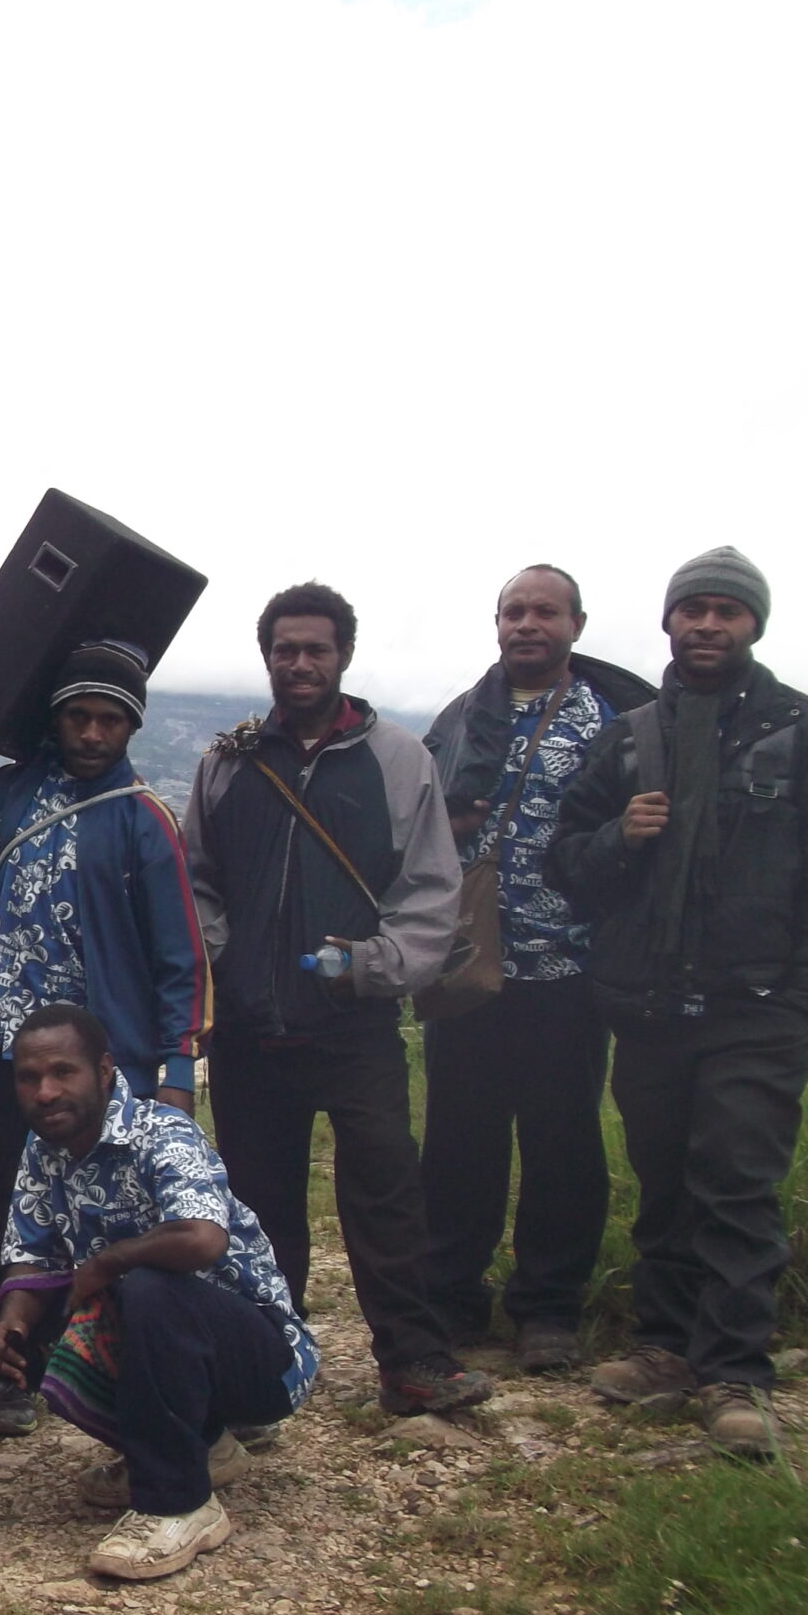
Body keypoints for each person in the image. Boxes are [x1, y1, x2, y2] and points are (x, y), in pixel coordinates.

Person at [552, 548, 808, 1459]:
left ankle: (736, 1373)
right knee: (663, 1182)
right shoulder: (629, 739)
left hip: (757, 1010)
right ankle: (665, 1347)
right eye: (691, 610)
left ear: (753, 626)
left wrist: (803, 1000)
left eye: (725, 613)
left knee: (737, 1183)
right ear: (666, 622)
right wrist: (622, 836)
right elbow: (566, 866)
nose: (706, 626)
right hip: (652, 1008)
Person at [185, 582, 489, 1417]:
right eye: (285, 649)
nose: (300, 663)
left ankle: (413, 1363)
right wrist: (221, 959)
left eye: (316, 648)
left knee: (387, 1192)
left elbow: (430, 885)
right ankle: (266, 1364)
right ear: (267, 658)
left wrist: (376, 964)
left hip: (356, 1025)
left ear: (344, 656)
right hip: (251, 1029)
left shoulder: (396, 758)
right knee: (258, 1204)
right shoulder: (231, 759)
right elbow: (198, 877)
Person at [0, 640, 208, 1437]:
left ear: (130, 730)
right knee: (7, 1208)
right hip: (4, 1049)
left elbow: (182, 957)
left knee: (111, 1219)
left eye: (111, 720)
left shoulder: (142, 819)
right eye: (81, 715)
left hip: (97, 1067)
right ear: (58, 717)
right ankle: (7, 1372)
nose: (94, 733)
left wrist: (177, 1068)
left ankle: (113, 1367)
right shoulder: (15, 792)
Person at [0, 1005, 317, 1583]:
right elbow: (29, 1261)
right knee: (40, 1317)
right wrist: (10, 1320)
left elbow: (203, 1239)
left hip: (261, 1361)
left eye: (64, 1072)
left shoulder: (161, 1131)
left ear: (106, 1072)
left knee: (147, 1287)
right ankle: (201, 1447)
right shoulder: (43, 1153)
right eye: (29, 1078)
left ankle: (178, 1502)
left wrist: (108, 1262)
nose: (45, 1091)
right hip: (172, 1348)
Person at [418, 567, 655, 1372]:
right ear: (496, 625)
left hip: (571, 968)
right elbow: (415, 832)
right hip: (468, 966)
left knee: (563, 1144)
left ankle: (548, 1307)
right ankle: (453, 1297)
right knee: (458, 1144)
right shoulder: (456, 720)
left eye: (544, 612)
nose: (528, 624)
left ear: (576, 626)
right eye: (514, 611)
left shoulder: (616, 722)